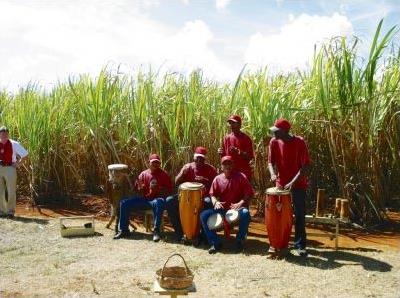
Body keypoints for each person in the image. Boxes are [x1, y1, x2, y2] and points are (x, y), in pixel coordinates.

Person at [268, 119, 311, 256]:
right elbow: (270, 162)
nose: (273, 132)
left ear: (285, 131)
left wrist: (292, 182)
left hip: (298, 184)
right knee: (279, 214)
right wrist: (273, 174)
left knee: (299, 214)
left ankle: (300, 245)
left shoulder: (299, 142)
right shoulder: (274, 142)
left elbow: (305, 167)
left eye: (276, 130)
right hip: (281, 184)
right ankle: (279, 242)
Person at [200, 156, 254, 254]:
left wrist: (240, 203)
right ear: (221, 167)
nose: (227, 166)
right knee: (203, 215)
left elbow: (249, 193)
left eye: (229, 163)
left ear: (233, 165)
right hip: (222, 209)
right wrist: (215, 201)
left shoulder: (241, 176)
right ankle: (215, 242)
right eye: (225, 164)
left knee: (245, 213)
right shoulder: (217, 179)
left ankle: (239, 240)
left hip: (236, 209)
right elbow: (212, 195)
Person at [114, 154, 173, 242]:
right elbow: (137, 190)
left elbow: (169, 191)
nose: (155, 164)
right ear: (149, 163)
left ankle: (156, 231)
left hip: (156, 201)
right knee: (124, 203)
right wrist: (140, 188)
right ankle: (123, 230)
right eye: (153, 162)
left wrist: (158, 189)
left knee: (159, 202)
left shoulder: (164, 175)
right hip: (145, 200)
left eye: (157, 163)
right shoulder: (143, 174)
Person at [165, 147, 218, 241]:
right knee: (169, 201)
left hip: (203, 197)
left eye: (201, 158)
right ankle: (180, 232)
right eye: (197, 158)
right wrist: (182, 175)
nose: (199, 160)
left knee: (208, 202)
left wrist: (205, 180)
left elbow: (216, 186)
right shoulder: (187, 167)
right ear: (194, 158)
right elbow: (176, 182)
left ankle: (203, 234)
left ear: (205, 159)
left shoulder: (210, 169)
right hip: (186, 197)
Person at [0, 126, 28, 218]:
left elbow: (25, 154)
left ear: (8, 134)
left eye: (5, 134)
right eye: (2, 134)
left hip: (10, 168)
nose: (4, 135)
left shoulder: (14, 144)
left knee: (11, 190)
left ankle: (10, 212)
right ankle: (2, 211)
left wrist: (18, 164)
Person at [218, 114, 254, 180]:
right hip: (230, 172)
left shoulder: (246, 138)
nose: (231, 125)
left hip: (242, 172)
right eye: (230, 123)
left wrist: (239, 152)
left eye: (234, 123)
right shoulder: (226, 138)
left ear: (240, 125)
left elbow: (250, 156)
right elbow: (224, 156)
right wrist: (221, 152)